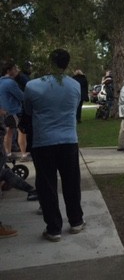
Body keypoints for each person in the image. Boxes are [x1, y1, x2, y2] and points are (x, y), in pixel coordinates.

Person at [23, 49, 84, 242]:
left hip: (43, 142)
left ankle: (54, 228)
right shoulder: (75, 85)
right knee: (72, 182)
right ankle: (76, 221)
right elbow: (74, 109)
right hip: (68, 140)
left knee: (47, 184)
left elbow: (28, 111)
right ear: (67, 64)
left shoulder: (32, 86)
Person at [1, 61, 28, 161]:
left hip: (4, 111)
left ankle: (7, 153)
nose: (17, 71)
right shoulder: (11, 83)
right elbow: (21, 96)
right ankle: (24, 154)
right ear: (8, 71)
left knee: (8, 133)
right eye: (14, 69)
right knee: (22, 131)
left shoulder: (1, 81)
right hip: (14, 111)